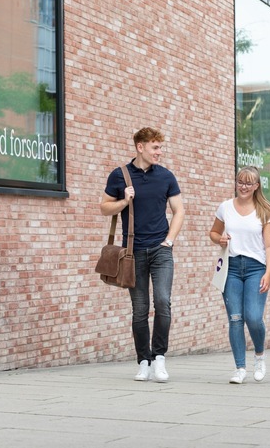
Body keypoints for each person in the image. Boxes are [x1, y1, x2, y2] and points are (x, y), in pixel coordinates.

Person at [100, 127, 185, 383]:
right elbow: (104, 208)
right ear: (140, 147)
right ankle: (143, 361)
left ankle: (159, 358)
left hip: (161, 251)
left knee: (162, 302)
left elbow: (179, 211)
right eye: (155, 147)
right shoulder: (120, 176)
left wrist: (169, 241)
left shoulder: (166, 176)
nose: (159, 152)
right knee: (140, 309)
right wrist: (124, 202)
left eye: (160, 147)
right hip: (133, 252)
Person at [209, 166, 270, 384]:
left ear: (257, 186)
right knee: (235, 318)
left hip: (256, 267)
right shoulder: (225, 207)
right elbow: (213, 232)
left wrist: (268, 273)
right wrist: (219, 239)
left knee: (254, 317)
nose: (243, 186)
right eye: (240, 181)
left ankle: (259, 355)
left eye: (248, 183)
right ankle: (240, 368)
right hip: (232, 268)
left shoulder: (265, 210)